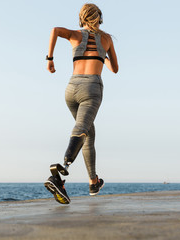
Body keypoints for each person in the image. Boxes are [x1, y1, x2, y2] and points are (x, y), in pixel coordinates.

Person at [44, 3, 118, 204]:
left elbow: (55, 30)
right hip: (91, 89)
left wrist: (50, 59)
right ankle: (59, 175)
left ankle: (93, 181)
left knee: (89, 133)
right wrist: (103, 54)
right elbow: (115, 68)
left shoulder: (75, 35)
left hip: (71, 89)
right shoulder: (107, 39)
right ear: (99, 18)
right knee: (82, 129)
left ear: (82, 18)